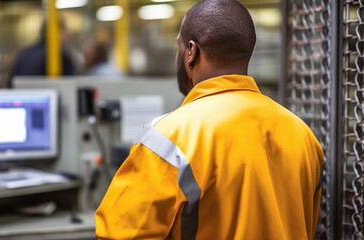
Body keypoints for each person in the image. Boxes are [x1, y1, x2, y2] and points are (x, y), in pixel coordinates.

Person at [95, 0, 324, 239]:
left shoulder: (167, 140)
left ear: (191, 52)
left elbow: (117, 234)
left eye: (179, 47)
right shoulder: (304, 137)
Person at [8, 18, 75, 87]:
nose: (68, 33)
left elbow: (11, 85)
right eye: (64, 30)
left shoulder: (24, 54)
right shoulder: (60, 57)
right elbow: (69, 88)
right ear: (54, 31)